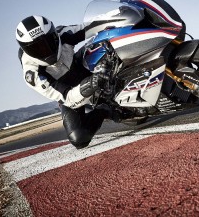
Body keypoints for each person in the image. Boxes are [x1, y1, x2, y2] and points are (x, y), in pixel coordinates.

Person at [15, 15, 120, 149]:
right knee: (79, 138)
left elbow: (94, 25)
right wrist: (92, 83)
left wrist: (119, 16)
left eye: (48, 42)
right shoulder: (32, 74)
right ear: (26, 51)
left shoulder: (63, 33)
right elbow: (67, 98)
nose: (45, 50)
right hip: (67, 91)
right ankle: (105, 109)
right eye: (36, 49)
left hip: (81, 66)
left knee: (108, 41)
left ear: (54, 35)